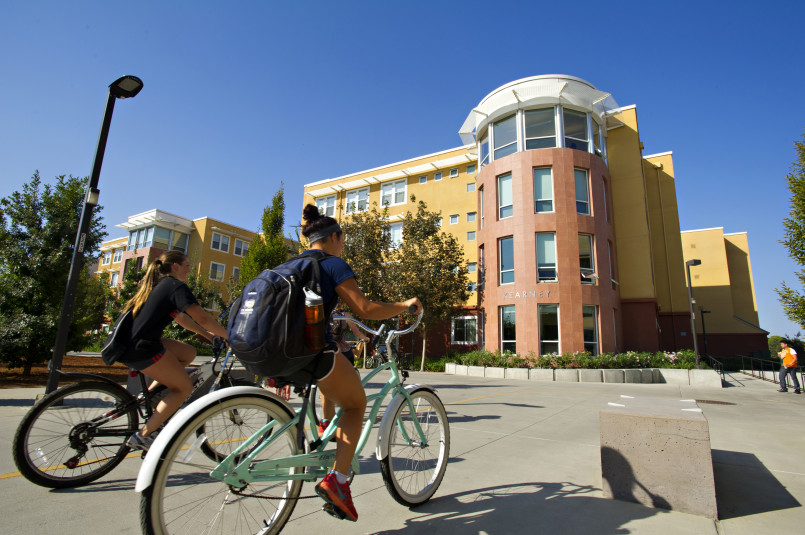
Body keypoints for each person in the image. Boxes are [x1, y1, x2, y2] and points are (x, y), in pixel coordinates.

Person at [277, 204, 421, 522]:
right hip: (311, 350)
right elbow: (365, 308)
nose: (343, 246)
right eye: (343, 240)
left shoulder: (291, 263)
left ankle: (324, 433)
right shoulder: (332, 263)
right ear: (334, 237)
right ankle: (338, 482)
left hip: (280, 350)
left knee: (333, 386)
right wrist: (403, 305)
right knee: (356, 405)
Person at [117, 251, 229, 450]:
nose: (189, 270)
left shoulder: (162, 285)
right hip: (141, 347)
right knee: (184, 388)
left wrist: (209, 335)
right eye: (186, 265)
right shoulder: (175, 286)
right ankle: (144, 436)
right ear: (175, 266)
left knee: (188, 353)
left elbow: (182, 319)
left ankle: (151, 395)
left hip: (134, 342)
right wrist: (230, 336)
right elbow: (202, 317)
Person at [317, 303, 370, 436]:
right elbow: (357, 332)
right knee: (350, 383)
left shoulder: (324, 311)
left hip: (325, 351)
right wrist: (366, 338)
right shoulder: (345, 315)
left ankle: (326, 421)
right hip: (343, 351)